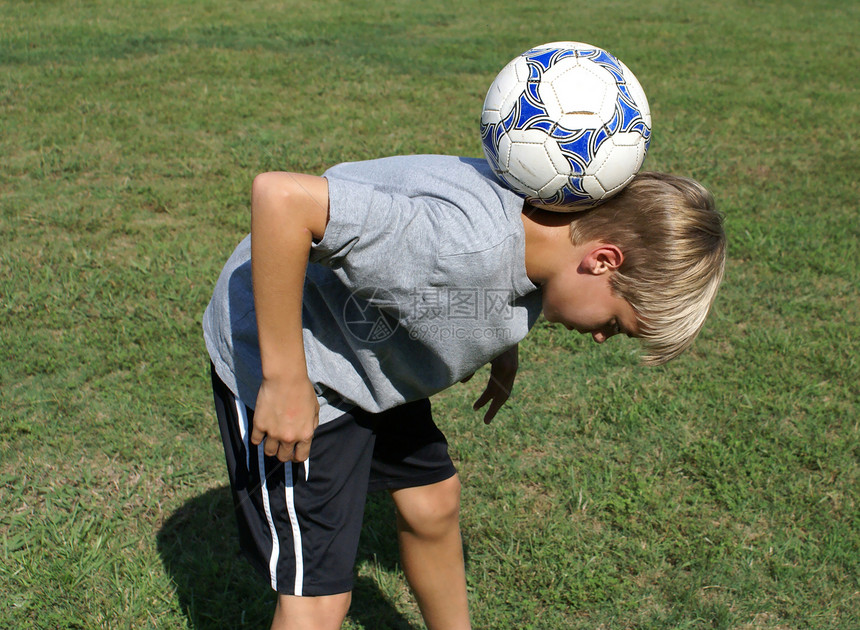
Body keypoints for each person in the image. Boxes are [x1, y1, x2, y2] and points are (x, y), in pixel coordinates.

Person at [202, 154, 726, 629]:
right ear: (604, 261)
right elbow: (282, 200)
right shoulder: (452, 243)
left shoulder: (545, 239)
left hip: (375, 356)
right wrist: (284, 377)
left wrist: (500, 343)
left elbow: (492, 284)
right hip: (305, 363)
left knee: (433, 502)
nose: (598, 336)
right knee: (319, 599)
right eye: (614, 324)